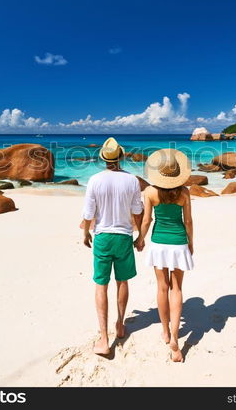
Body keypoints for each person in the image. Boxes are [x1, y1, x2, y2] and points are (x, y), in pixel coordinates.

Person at [82, 137, 144, 355]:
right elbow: (138, 211)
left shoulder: (95, 180)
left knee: (101, 285)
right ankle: (120, 324)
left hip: (102, 237)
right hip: (124, 236)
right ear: (121, 157)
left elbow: (89, 213)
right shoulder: (132, 181)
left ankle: (103, 338)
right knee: (122, 281)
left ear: (103, 159)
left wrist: (85, 233)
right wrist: (141, 236)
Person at [135, 148, 193, 362]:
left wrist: (140, 239)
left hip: (159, 243)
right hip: (178, 243)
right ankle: (176, 338)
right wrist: (191, 242)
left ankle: (166, 331)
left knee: (162, 287)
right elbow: (188, 221)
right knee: (177, 288)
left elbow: (147, 220)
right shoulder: (184, 192)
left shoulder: (150, 192)